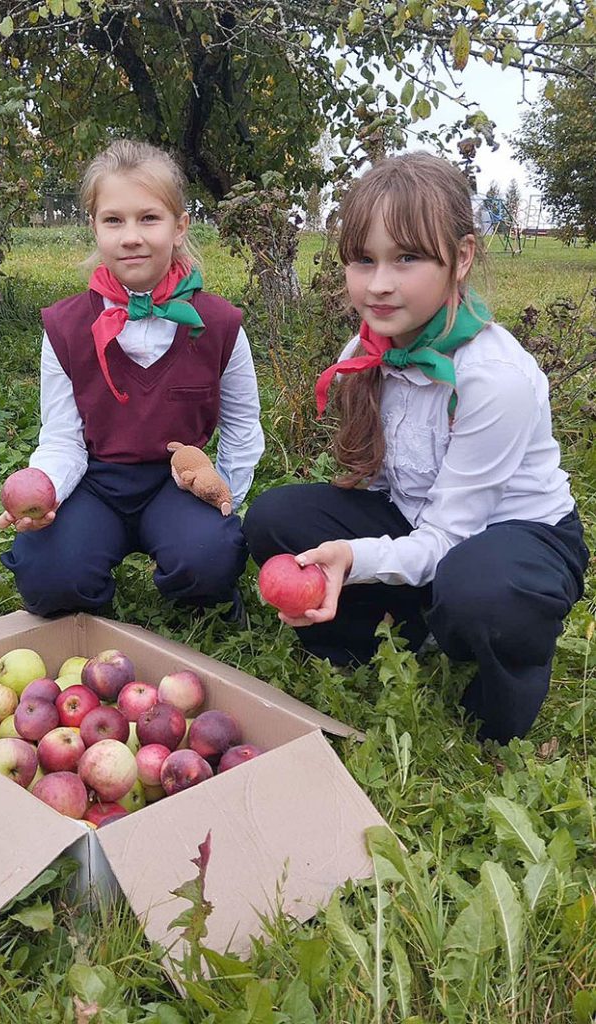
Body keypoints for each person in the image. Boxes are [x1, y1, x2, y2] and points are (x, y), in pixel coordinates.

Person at [243, 153, 589, 745]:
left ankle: (497, 698)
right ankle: (390, 635)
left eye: (407, 258)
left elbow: (453, 535)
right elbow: (380, 484)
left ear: (461, 257)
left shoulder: (491, 377)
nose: (379, 284)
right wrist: (347, 549)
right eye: (363, 259)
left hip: (513, 540)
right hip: (421, 520)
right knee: (277, 518)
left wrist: (355, 558)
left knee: (482, 591)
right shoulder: (367, 348)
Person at [0, 140, 264, 623]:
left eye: (149, 218)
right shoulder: (66, 327)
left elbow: (244, 426)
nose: (131, 237)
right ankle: (87, 593)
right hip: (95, 482)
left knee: (209, 556)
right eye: (113, 220)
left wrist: (223, 494)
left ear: (180, 226)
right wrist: (46, 492)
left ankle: (199, 581)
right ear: (94, 228)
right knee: (49, 574)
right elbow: (61, 437)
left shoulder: (219, 325)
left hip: (178, 481)